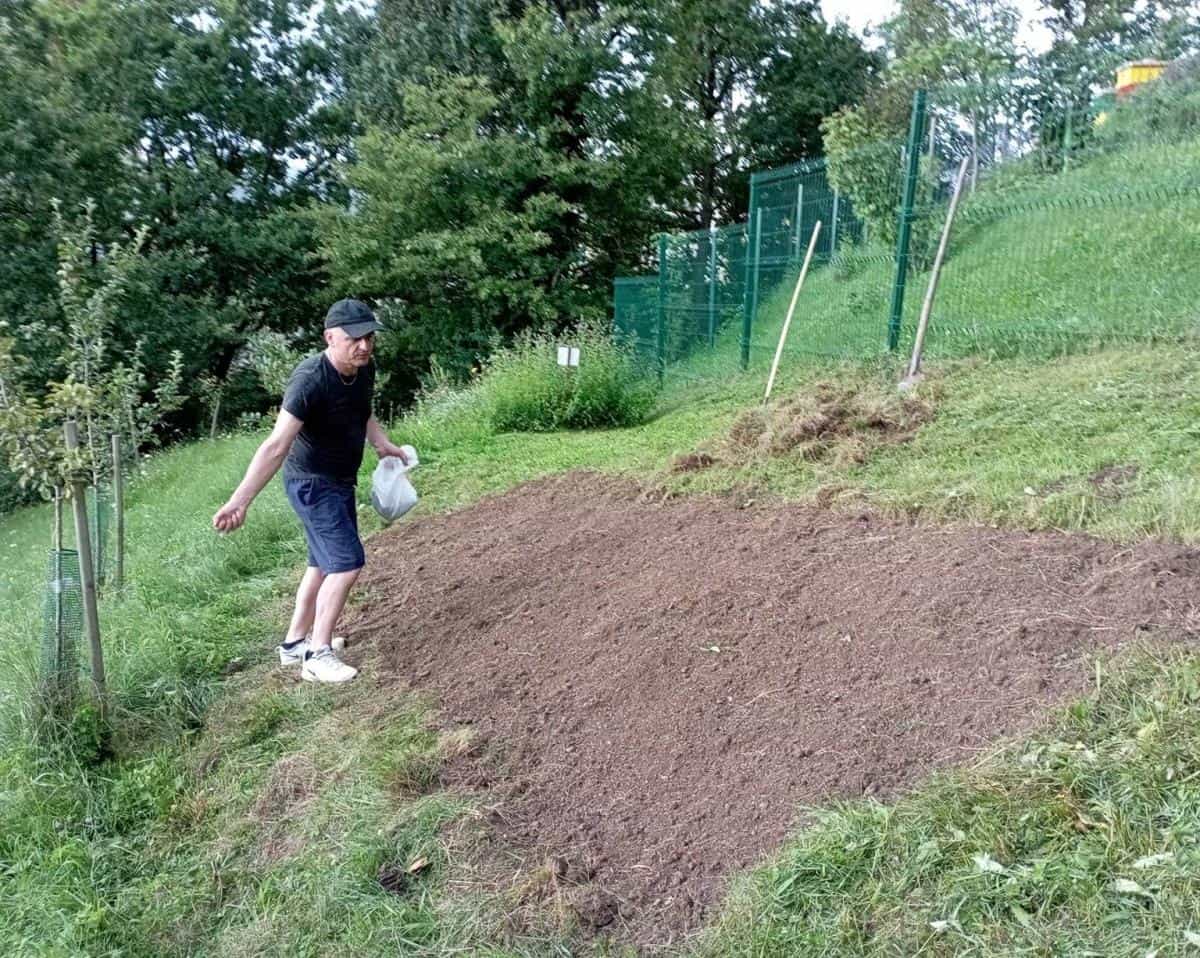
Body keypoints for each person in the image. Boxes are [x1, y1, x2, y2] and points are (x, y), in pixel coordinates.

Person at [212, 299, 409, 683]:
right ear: (330, 337)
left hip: (339, 481)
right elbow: (275, 445)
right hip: (312, 485)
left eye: (369, 337)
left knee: (320, 564)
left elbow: (362, 410)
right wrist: (240, 501)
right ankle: (318, 655)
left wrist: (381, 442)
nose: (364, 345)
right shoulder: (310, 379)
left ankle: (293, 645)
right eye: (354, 338)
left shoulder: (362, 369)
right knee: (347, 562)